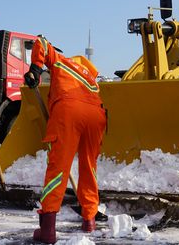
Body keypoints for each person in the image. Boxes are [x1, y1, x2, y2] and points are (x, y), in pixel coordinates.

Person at [24, 36, 106, 244]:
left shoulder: (62, 61)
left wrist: (35, 68)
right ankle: (89, 219)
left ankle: (48, 230)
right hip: (97, 116)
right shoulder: (91, 78)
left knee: (58, 169)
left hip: (68, 112)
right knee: (89, 166)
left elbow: (40, 42)